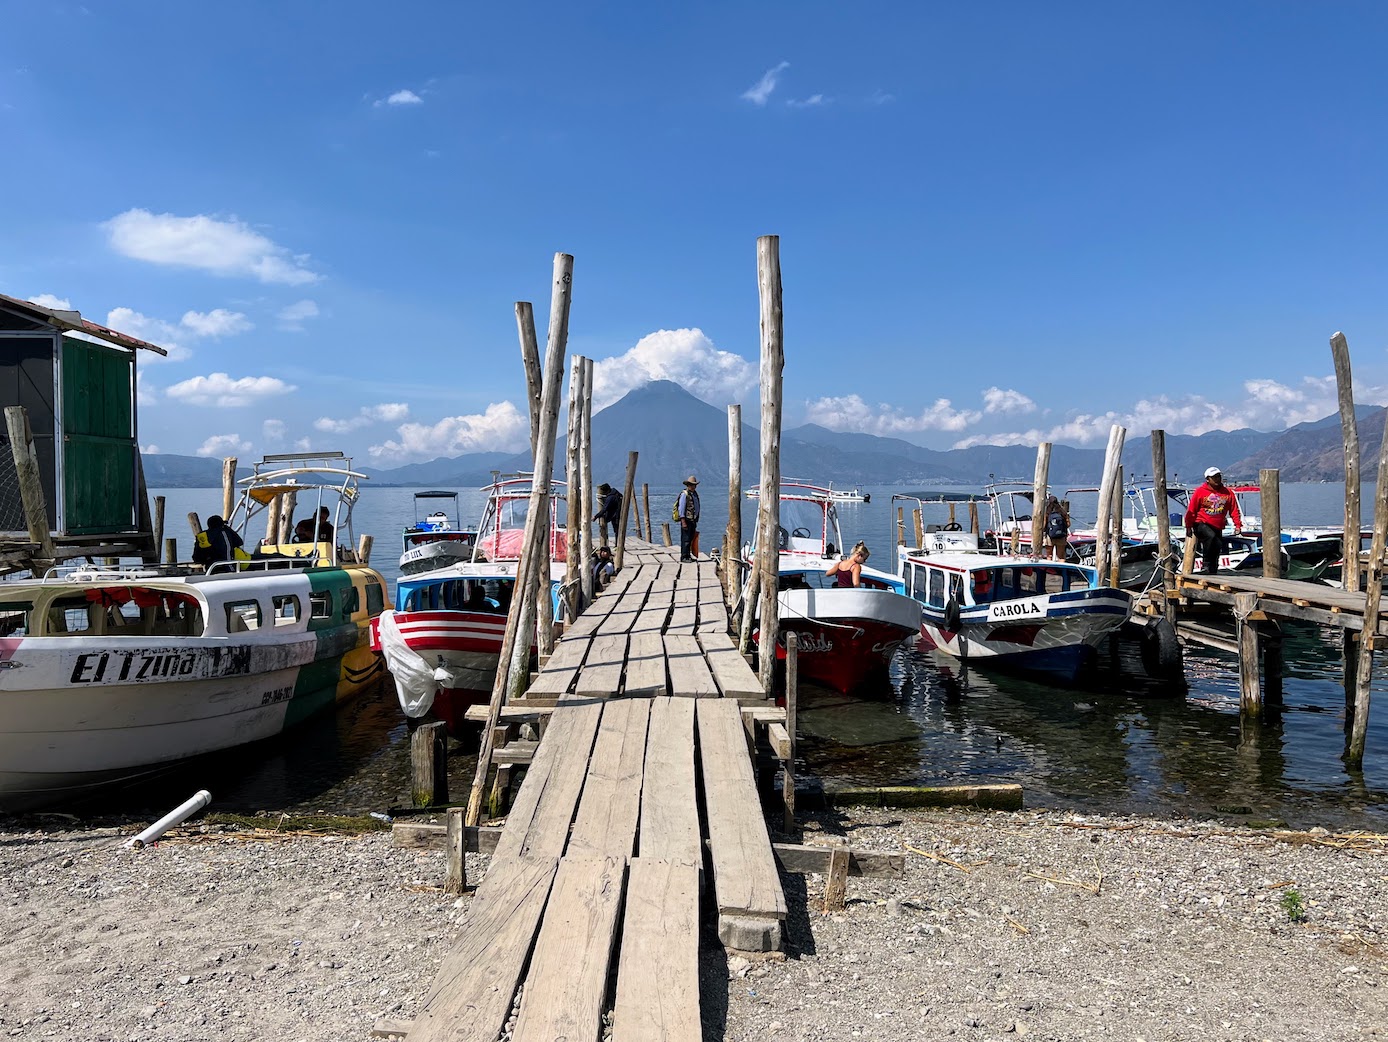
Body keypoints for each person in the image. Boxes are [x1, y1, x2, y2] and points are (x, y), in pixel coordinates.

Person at [1183, 466, 1242, 575]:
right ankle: (1205, 565)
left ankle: (1213, 569)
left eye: (1218, 476)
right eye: (1214, 477)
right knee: (1211, 537)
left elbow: (1234, 510)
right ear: (1208, 479)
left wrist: (1237, 525)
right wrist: (1188, 526)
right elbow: (1192, 510)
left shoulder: (1228, 493)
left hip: (1217, 525)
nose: (1217, 479)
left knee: (1218, 544)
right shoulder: (1200, 492)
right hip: (1201, 523)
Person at [674, 475, 700, 561]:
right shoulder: (684, 495)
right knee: (686, 539)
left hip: (693, 520)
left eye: (695, 485)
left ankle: (688, 556)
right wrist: (683, 521)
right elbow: (681, 508)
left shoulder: (694, 494)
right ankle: (684, 556)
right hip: (687, 520)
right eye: (692, 485)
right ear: (688, 485)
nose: (694, 486)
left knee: (690, 538)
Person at [1041, 494, 1070, 560]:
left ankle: (1049, 570)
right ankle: (1062, 570)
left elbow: (1044, 525)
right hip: (1061, 536)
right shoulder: (1063, 512)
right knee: (1061, 557)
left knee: (1049, 556)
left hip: (1050, 536)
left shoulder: (1047, 512)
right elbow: (1068, 524)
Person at [596, 482, 623, 547]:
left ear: (607, 491)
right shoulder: (617, 494)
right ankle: (618, 545)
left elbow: (604, 509)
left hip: (615, 516)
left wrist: (596, 516)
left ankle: (618, 546)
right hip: (620, 514)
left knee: (617, 531)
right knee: (618, 531)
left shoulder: (610, 497)